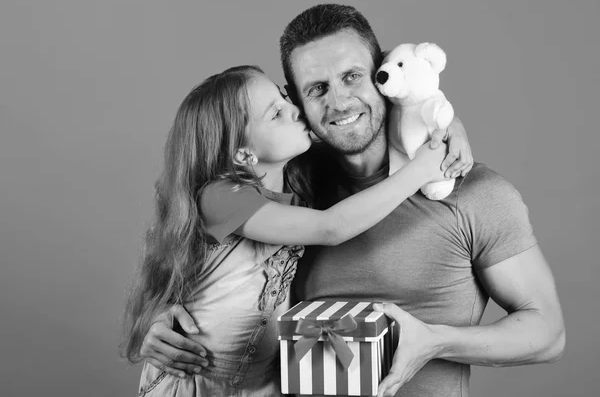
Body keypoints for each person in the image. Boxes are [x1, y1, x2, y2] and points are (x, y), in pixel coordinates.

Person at [135, 4, 565, 397]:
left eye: (352, 76)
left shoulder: (474, 194)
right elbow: (207, 256)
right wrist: (166, 322)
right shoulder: (295, 186)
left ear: (383, 74)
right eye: (316, 88)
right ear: (297, 101)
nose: (338, 101)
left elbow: (548, 332)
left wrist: (437, 341)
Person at [121, 64, 466, 396]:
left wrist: (449, 126)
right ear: (242, 154)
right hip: (193, 386)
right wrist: (421, 170)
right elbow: (332, 227)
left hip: (262, 387)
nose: (295, 110)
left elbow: (387, 117)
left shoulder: (298, 183)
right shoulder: (220, 197)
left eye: (284, 99)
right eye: (275, 113)